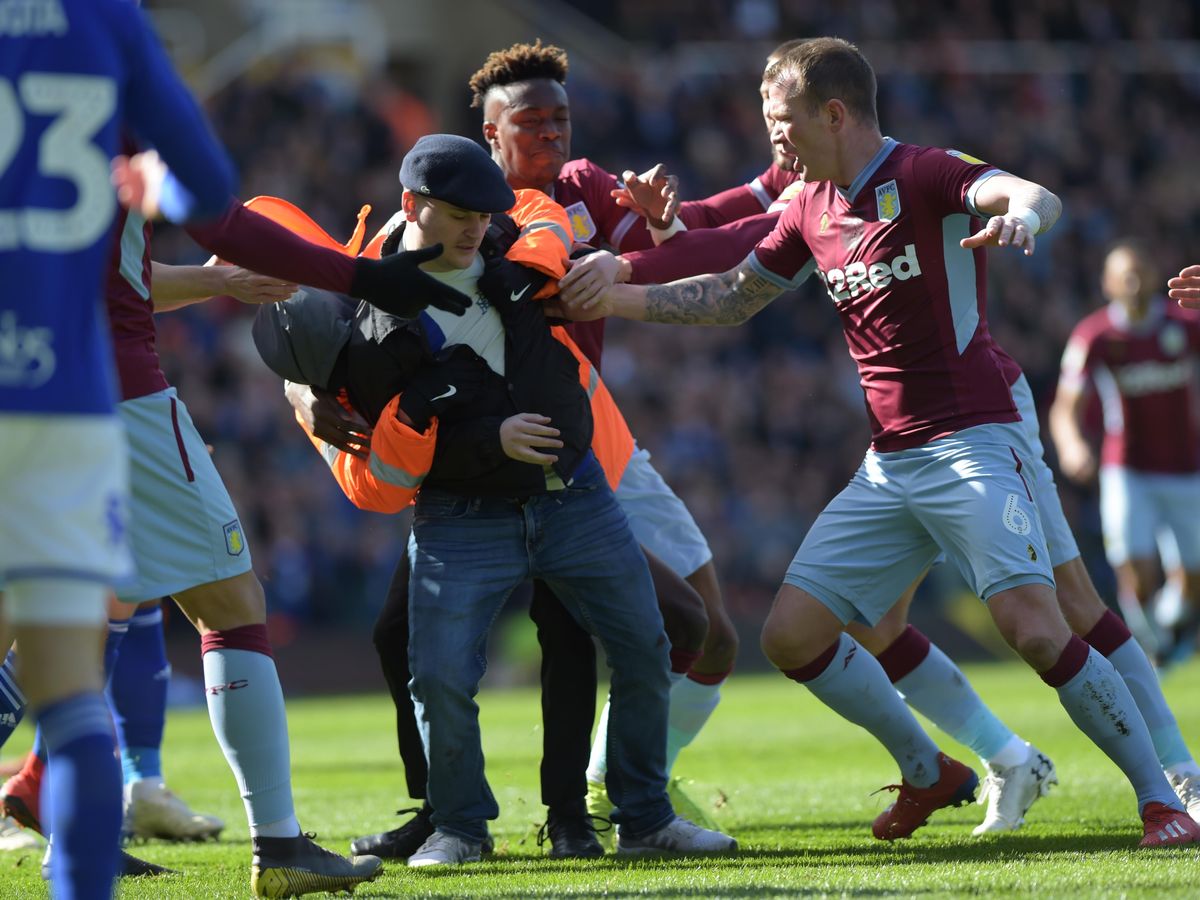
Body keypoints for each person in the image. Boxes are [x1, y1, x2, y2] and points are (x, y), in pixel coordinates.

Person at [556, 36, 1199, 848]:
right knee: (793, 635)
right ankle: (943, 769)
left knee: (1043, 623)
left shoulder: (922, 172)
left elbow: (1027, 191)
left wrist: (1020, 217)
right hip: (890, 462)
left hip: (975, 438)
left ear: (833, 112)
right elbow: (731, 293)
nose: (773, 139)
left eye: (782, 120)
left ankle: (1166, 798)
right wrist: (617, 295)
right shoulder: (809, 206)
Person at [267, 134, 737, 865]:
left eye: (483, 214)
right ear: (411, 206)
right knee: (441, 675)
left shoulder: (519, 243)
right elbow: (396, 459)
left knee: (645, 647)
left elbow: (545, 216)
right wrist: (492, 437)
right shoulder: (372, 319)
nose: (475, 228)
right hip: (460, 512)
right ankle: (459, 827)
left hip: (575, 492)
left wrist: (585, 261)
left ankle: (641, 818)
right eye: (458, 214)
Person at [2, 0, 240, 893]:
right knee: (69, 700)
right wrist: (151, 185)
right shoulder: (103, 18)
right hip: (60, 396)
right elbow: (209, 190)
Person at [1051, 241, 1200, 661]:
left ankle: (1169, 626)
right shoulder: (1094, 335)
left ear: (1154, 277)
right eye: (1124, 276)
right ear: (1107, 283)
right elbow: (1066, 406)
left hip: (1186, 466)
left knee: (1193, 578)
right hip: (1127, 469)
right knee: (1133, 563)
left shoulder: (1184, 326)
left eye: (1139, 274)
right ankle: (1148, 648)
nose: (1133, 284)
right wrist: (1072, 445)